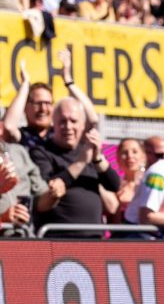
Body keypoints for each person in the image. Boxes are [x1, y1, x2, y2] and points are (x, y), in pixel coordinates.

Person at [29, 99, 121, 237]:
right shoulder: (42, 152)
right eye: (62, 121)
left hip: (93, 238)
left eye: (73, 121)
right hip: (59, 239)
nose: (68, 126)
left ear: (83, 125)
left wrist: (97, 158)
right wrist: (81, 162)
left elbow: (114, 185)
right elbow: (49, 188)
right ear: (53, 123)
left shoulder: (87, 150)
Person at [3, 50, 100, 150]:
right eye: (37, 103)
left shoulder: (60, 134)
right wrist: (25, 85)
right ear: (25, 107)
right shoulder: (23, 136)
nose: (43, 108)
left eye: (48, 103)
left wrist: (68, 80)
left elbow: (92, 119)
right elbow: (8, 127)